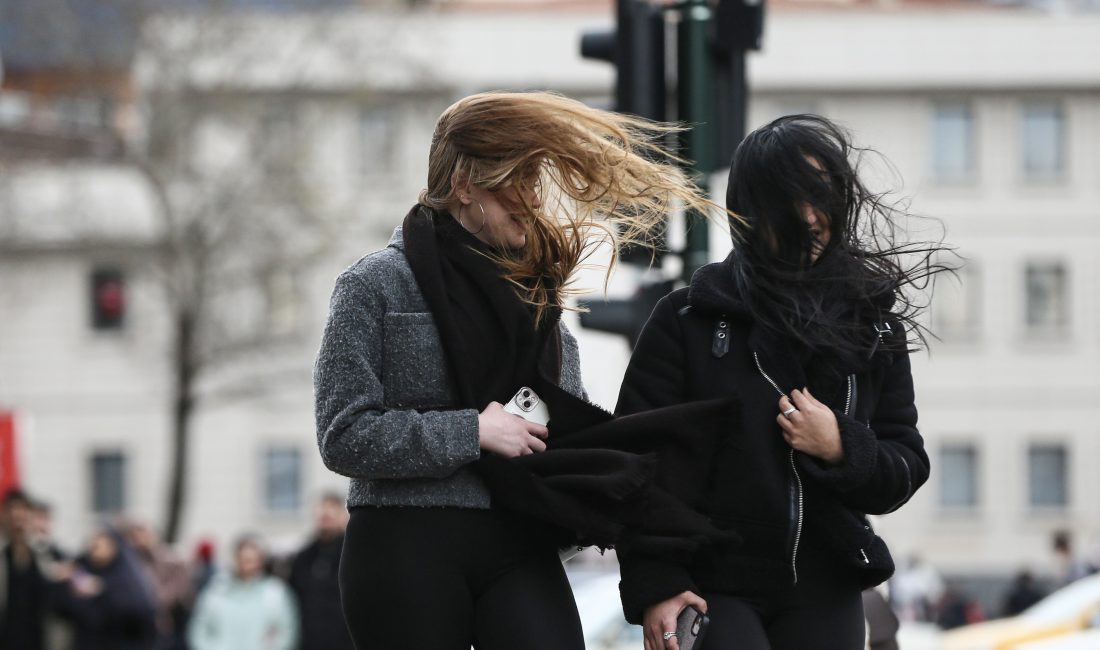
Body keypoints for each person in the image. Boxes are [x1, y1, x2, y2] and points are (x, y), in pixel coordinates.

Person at [314, 90, 720, 650]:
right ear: (464, 186)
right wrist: (471, 430)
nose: (534, 198)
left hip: (518, 541)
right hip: (405, 541)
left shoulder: (536, 296)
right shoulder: (375, 284)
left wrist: (650, 560)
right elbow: (343, 436)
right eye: (520, 180)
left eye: (537, 181)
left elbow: (571, 436)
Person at [615, 114, 946, 650]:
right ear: (753, 209)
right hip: (713, 583)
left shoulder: (875, 325)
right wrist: (659, 583)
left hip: (827, 583)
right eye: (794, 199)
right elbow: (636, 465)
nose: (812, 217)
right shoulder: (688, 319)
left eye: (823, 197)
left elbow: (905, 463)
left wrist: (842, 446)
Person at [187, 535, 298, 650]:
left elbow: (287, 632)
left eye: (251, 560)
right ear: (235, 558)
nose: (246, 565)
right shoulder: (216, 591)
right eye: (242, 559)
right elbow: (199, 630)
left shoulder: (275, 593)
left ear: (261, 561)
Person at [287, 493, 353, 650]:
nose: (325, 516)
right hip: (309, 642)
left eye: (331, 512)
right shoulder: (303, 558)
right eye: (322, 512)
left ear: (342, 517)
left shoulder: (353, 556)